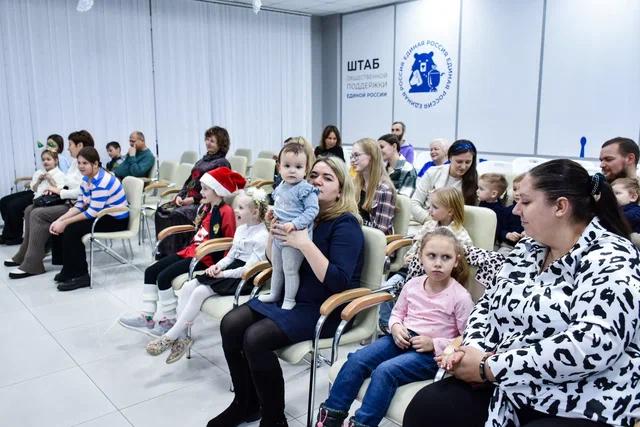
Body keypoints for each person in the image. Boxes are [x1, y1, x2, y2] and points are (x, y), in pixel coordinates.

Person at [404, 160, 640, 427]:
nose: (516, 210)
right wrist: (474, 351)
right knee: (428, 407)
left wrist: (491, 367)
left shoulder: (612, 256)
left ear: (560, 207)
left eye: (525, 202)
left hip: (582, 396)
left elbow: (594, 343)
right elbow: (488, 305)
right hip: (509, 383)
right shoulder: (529, 248)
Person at [207, 156, 365, 427]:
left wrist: (305, 244)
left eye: (327, 178)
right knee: (230, 324)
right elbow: (273, 260)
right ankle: (246, 403)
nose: (317, 181)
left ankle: (274, 419)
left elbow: (338, 282)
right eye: (314, 175)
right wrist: (272, 230)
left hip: (326, 307)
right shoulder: (300, 215)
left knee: (255, 338)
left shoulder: (345, 224)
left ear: (341, 190)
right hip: (294, 296)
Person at [316, 228, 473, 427]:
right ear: (420, 257)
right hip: (400, 338)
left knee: (385, 371)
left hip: (430, 354)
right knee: (356, 360)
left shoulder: (461, 297)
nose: (438, 263)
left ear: (456, 261)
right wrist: (396, 326)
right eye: (431, 256)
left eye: (446, 257)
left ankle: (363, 424)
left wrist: (434, 343)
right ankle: (330, 418)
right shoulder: (412, 285)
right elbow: (397, 313)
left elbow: (467, 337)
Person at [145, 187, 269, 364]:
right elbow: (231, 256)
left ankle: (170, 336)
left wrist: (223, 273)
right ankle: (183, 337)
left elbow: (247, 269)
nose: (235, 210)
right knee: (188, 286)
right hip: (230, 269)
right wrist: (217, 266)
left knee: (200, 292)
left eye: (241, 208)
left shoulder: (262, 236)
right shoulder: (242, 229)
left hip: (245, 277)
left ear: (255, 212)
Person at [120, 167, 242, 336]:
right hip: (190, 251)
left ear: (217, 190)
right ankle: (147, 316)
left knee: (163, 277)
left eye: (205, 189)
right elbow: (197, 229)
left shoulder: (225, 212)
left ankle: (170, 320)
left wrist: (220, 265)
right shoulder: (206, 208)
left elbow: (229, 241)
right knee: (151, 271)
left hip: (204, 258)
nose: (201, 192)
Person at [379, 187, 473, 333]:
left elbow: (463, 260)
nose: (429, 210)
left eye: (435, 207)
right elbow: (416, 246)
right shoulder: (429, 225)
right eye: (429, 206)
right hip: (411, 274)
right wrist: (409, 256)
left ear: (450, 211)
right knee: (387, 288)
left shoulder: (460, 235)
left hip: (438, 281)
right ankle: (388, 327)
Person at [5, 130, 92, 278]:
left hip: (76, 205)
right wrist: (57, 190)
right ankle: (24, 253)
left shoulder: (85, 164)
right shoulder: (74, 162)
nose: (68, 148)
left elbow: (83, 191)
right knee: (29, 209)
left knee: (37, 214)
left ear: (80, 145)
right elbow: (68, 184)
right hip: (68, 200)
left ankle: (33, 264)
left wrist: (60, 192)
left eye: (70, 144)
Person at [49, 147, 129, 291]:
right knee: (62, 225)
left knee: (72, 230)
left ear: (96, 164)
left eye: (85, 163)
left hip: (115, 219)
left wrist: (65, 223)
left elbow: (92, 212)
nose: (81, 166)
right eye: (79, 163)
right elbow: (80, 204)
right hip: (101, 215)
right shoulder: (86, 179)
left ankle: (81, 276)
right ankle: (68, 270)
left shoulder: (102, 181)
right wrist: (60, 220)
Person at [155, 126, 232, 257]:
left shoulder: (222, 163)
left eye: (212, 141)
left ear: (221, 144)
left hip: (204, 202)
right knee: (162, 210)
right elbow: (189, 182)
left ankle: (177, 253)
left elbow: (217, 191)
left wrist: (193, 200)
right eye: (207, 139)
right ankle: (163, 252)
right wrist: (180, 196)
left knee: (177, 214)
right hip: (188, 199)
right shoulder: (202, 160)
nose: (208, 143)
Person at [259, 143, 319, 309]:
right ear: (279, 168)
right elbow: (281, 206)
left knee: (290, 269)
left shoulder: (306, 189)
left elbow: (312, 210)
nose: (292, 171)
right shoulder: (281, 187)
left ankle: (289, 299)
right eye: (287, 166)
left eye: (298, 167)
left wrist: (294, 223)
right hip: (279, 235)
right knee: (277, 267)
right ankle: (274, 293)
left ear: (306, 170)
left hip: (295, 238)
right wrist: (273, 214)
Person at [0, 150, 64, 246]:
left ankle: (13, 237)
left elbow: (60, 191)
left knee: (13, 206)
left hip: (44, 197)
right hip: (35, 192)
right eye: (43, 160)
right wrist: (38, 181)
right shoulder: (39, 172)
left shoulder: (60, 174)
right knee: (4, 201)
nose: (45, 162)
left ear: (56, 160)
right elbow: (34, 188)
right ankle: (9, 231)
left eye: (48, 159)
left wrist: (50, 180)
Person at [411, 139, 478, 226]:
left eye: (468, 162)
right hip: (424, 222)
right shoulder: (433, 172)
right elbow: (414, 203)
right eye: (459, 162)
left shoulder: (476, 180)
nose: (463, 166)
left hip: (454, 227)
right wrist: (430, 221)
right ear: (450, 157)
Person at [352, 138, 396, 234]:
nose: (352, 160)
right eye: (352, 156)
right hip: (356, 234)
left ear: (371, 156)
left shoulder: (385, 189)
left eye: (356, 155)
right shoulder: (355, 183)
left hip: (373, 240)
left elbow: (380, 232)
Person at [496, 174, 525, 252]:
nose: (516, 193)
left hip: (527, 247)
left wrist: (528, 234)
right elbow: (500, 230)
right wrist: (507, 235)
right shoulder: (507, 211)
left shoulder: (535, 212)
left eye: (521, 190)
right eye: (515, 189)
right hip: (508, 245)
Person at [477, 173, 509, 243]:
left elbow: (497, 230)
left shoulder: (498, 211)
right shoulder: (483, 201)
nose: (477, 191)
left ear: (493, 194)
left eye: (481, 189)